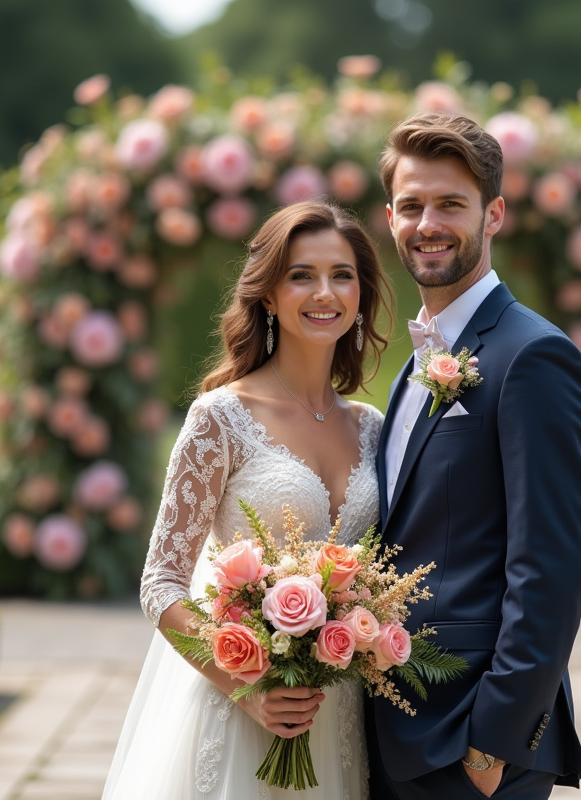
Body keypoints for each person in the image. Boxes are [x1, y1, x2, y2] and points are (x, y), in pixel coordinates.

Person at [103, 200, 392, 799]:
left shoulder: (373, 428)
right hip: (241, 715)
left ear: (361, 294)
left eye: (342, 275)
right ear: (269, 295)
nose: (325, 292)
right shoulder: (220, 418)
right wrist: (248, 686)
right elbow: (161, 583)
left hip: (340, 716)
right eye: (301, 275)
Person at [367, 113, 581, 799]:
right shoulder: (415, 364)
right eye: (412, 206)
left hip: (472, 738)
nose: (428, 224)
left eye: (451, 204)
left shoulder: (534, 356)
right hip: (395, 724)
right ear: (390, 218)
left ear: (493, 214)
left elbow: (552, 565)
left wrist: (495, 739)